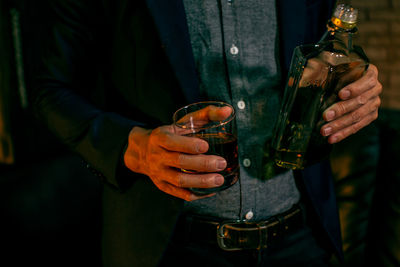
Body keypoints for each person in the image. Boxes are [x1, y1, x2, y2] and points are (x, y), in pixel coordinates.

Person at [31, 0, 382, 266]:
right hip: (169, 246)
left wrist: (353, 88)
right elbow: (49, 89)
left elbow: (322, 53)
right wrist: (132, 146)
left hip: (301, 239)